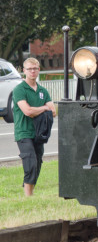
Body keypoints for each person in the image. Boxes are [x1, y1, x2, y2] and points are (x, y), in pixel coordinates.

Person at [13, 58, 55, 197]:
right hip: (24, 132)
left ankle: (30, 193)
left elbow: (53, 111)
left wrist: (42, 109)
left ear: (38, 70)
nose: (32, 71)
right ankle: (28, 197)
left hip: (39, 133)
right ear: (24, 71)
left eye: (35, 68)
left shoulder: (43, 91)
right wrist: (44, 108)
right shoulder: (19, 90)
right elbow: (28, 111)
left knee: (37, 163)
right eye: (29, 69)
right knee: (30, 162)